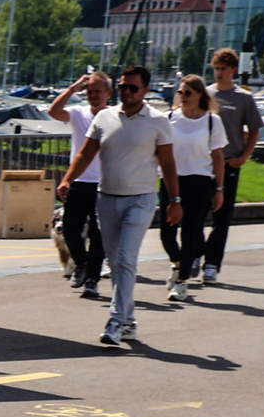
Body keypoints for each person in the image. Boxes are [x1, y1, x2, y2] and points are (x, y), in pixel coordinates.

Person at [56, 65, 180, 350]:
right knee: (115, 261)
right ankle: (129, 320)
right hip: (107, 198)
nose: (126, 92)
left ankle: (115, 321)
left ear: (146, 91)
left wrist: (175, 200)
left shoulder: (158, 121)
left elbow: (168, 164)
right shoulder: (104, 116)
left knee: (125, 258)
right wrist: (67, 180)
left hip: (141, 199)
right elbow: (86, 152)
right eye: (123, 86)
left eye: (133, 88)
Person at [156, 75, 228, 303]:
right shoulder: (169, 118)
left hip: (199, 181)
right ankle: (178, 264)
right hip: (171, 180)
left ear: (200, 95)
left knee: (189, 232)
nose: (183, 97)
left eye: (188, 93)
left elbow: (218, 157)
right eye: (180, 93)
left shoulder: (212, 121)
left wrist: (219, 188)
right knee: (166, 232)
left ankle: (182, 281)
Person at [203, 47, 264, 286]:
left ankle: (212, 264)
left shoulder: (244, 98)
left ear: (233, 71)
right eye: (216, 68)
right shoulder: (206, 93)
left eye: (223, 69)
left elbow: (255, 130)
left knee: (222, 216)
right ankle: (196, 254)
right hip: (204, 162)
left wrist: (243, 157)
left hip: (229, 161)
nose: (219, 73)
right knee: (196, 213)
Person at [48, 72, 112, 298]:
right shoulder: (77, 113)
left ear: (108, 93)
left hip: (104, 183)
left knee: (98, 234)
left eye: (97, 91)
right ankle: (82, 264)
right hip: (78, 181)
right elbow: (53, 112)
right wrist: (72, 89)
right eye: (90, 91)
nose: (93, 95)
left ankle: (93, 279)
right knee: (71, 230)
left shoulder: (114, 116)